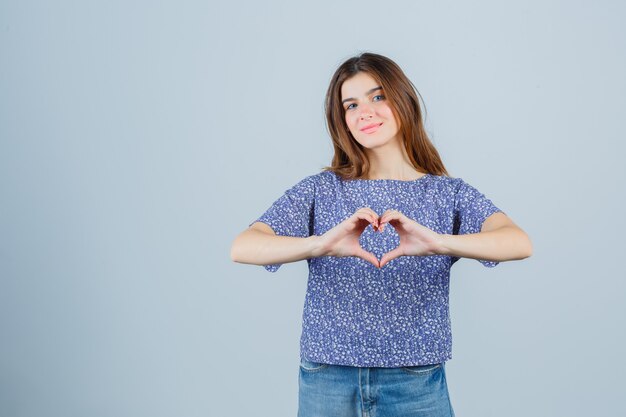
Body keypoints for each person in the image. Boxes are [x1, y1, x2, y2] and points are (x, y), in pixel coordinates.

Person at [230, 52, 532, 417]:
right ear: (341, 120)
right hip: (328, 376)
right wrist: (319, 244)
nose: (365, 112)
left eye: (378, 97)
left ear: (403, 99)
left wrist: (441, 243)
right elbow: (243, 246)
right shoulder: (321, 189)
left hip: (415, 379)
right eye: (351, 105)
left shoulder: (446, 193)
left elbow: (518, 242)